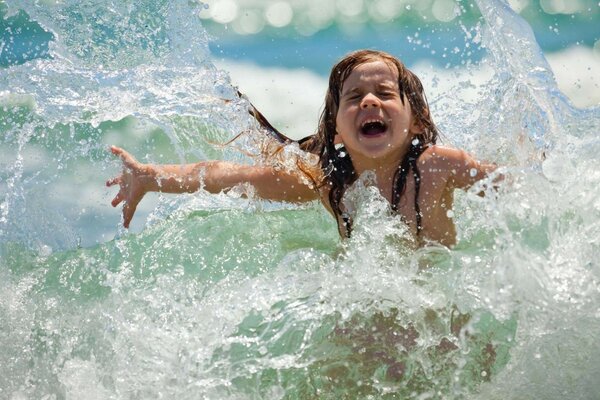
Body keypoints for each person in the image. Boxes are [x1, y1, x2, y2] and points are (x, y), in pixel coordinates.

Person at [107, 49, 498, 247]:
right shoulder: (328, 183)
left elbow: (519, 188)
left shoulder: (437, 168)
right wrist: (149, 177)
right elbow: (229, 176)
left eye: (384, 93)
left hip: (439, 307)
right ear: (337, 132)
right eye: (354, 97)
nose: (369, 102)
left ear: (415, 122)